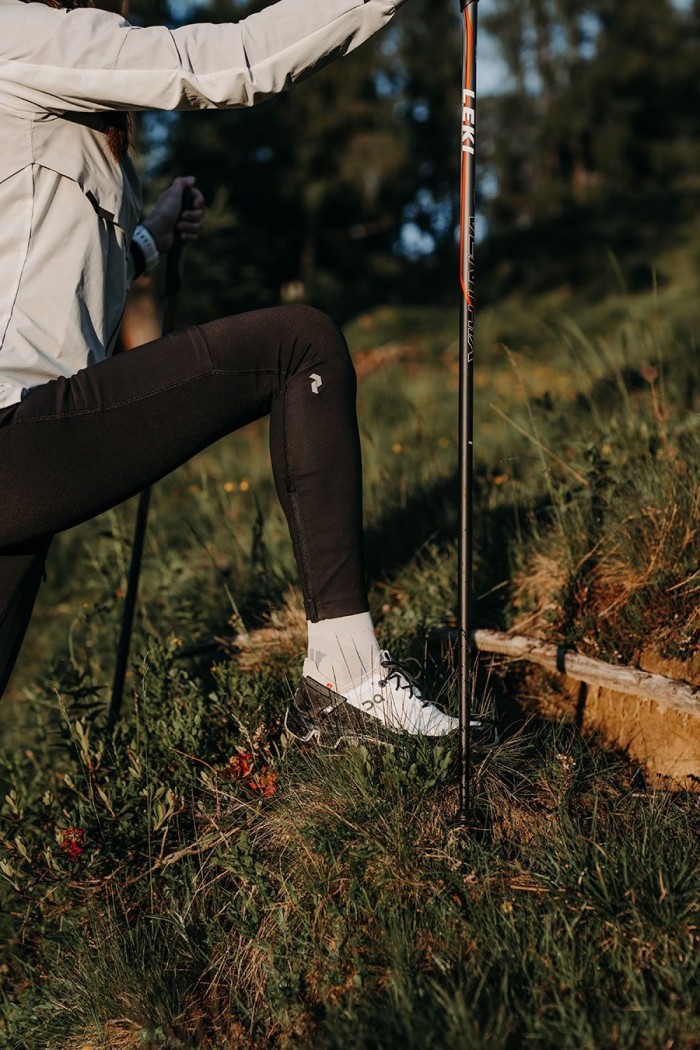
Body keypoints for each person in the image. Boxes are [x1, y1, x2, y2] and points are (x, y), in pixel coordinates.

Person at [0, 0, 458, 744]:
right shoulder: (13, 33)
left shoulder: (52, 82)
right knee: (300, 345)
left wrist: (144, 240)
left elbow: (57, 293)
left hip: (27, 441)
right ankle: (344, 677)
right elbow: (226, 61)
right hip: (13, 428)